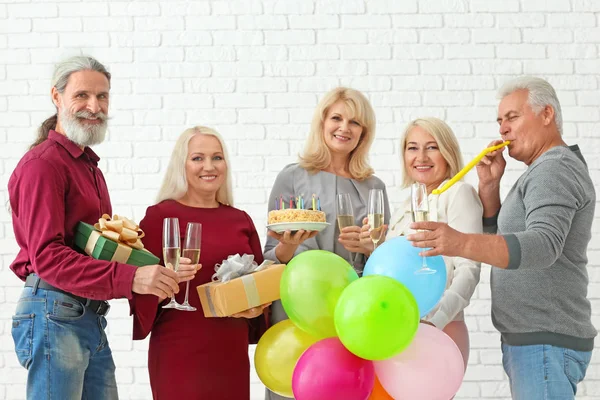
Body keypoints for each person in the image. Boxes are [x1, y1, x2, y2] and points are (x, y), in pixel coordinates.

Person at [8, 56, 188, 400]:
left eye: (103, 96)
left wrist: (147, 268)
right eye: (82, 95)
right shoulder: (43, 166)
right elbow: (48, 257)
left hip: (86, 314)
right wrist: (132, 278)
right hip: (54, 312)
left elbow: (93, 245)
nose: (94, 106)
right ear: (56, 97)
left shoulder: (89, 167)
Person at [408, 77, 596, 400]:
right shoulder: (539, 171)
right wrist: (490, 189)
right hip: (536, 341)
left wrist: (458, 242)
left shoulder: (555, 168)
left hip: (545, 342)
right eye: (500, 121)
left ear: (547, 114)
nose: (503, 130)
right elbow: (508, 240)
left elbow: (542, 246)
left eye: (512, 117)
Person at [264, 87, 391, 400]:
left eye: (355, 122)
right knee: (296, 387)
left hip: (354, 313)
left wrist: (368, 248)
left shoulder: (373, 186)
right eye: (336, 118)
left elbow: (383, 261)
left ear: (364, 132)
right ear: (322, 123)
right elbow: (269, 255)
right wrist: (289, 247)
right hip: (299, 310)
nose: (344, 127)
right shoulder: (292, 177)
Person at [130, 126, 269, 400]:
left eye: (217, 157)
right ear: (181, 165)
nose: (209, 166)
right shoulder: (160, 216)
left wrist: (255, 309)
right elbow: (139, 293)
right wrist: (167, 281)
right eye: (198, 158)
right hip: (179, 354)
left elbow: (259, 286)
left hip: (231, 353)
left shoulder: (240, 219)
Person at [358, 117, 482, 370]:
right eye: (412, 147)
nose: (421, 157)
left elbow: (469, 269)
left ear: (447, 152)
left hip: (440, 328)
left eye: (432, 147)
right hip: (398, 329)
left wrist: (437, 322)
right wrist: (374, 247)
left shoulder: (458, 194)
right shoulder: (408, 205)